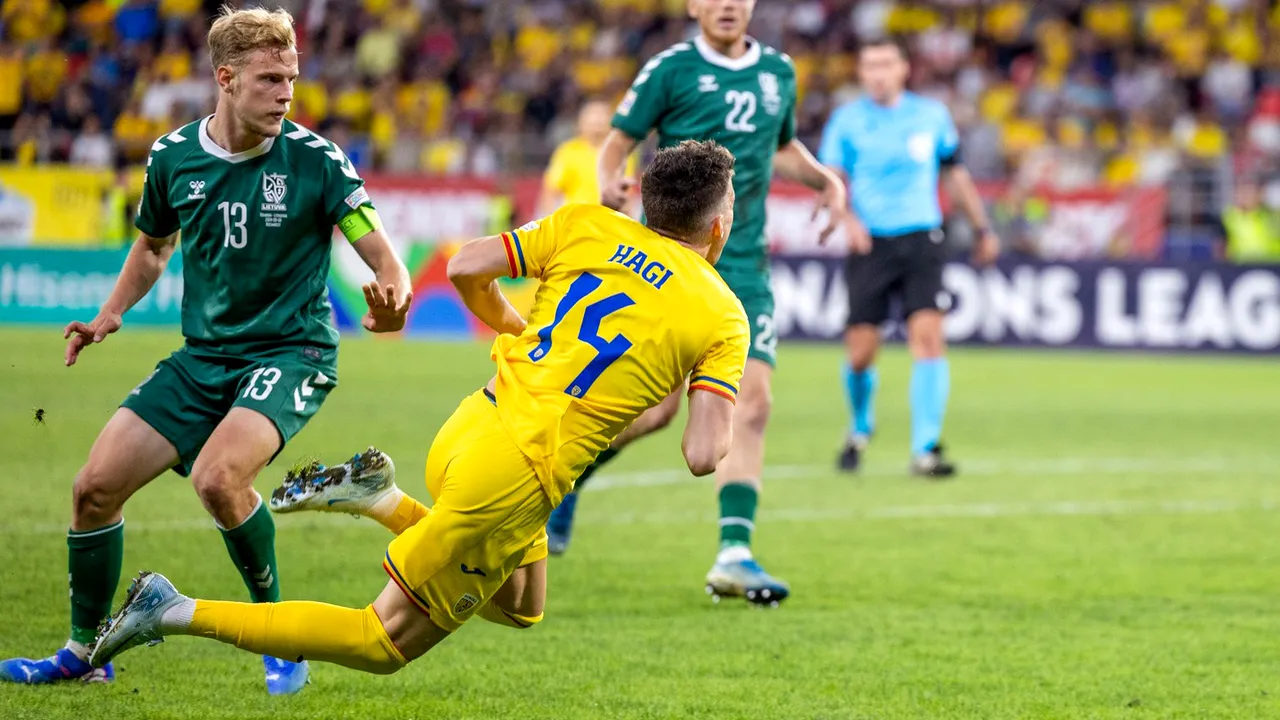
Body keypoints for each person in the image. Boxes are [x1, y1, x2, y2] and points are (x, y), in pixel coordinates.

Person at [89, 140, 752, 675]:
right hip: (514, 475)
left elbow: (467, 265)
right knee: (380, 642)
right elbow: (703, 456)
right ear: (717, 228)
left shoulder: (588, 223)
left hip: (473, 427)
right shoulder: (722, 313)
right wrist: (690, 380)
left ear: (647, 204)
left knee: (523, 606)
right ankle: (171, 610)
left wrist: (517, 328)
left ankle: (382, 498)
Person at [0, 7, 412, 693]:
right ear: (226, 77)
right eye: (270, 78)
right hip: (204, 359)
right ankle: (84, 654)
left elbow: (382, 255)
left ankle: (280, 636)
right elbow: (153, 248)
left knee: (219, 479)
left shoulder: (316, 160)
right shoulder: (173, 158)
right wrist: (109, 314)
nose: (287, 93)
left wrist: (394, 295)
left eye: (292, 78)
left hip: (292, 352)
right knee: (93, 489)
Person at [548, 0, 850, 607]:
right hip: (671, 261)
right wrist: (609, 178)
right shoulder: (670, 69)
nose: (728, 5)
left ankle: (734, 553)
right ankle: (562, 479)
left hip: (743, 263)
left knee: (754, 400)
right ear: (694, 6)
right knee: (656, 411)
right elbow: (619, 141)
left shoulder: (779, 73)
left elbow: (779, 146)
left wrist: (826, 180)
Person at [818, 38, 998, 478]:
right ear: (860, 74)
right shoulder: (847, 121)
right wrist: (850, 222)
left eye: (886, 64)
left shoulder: (931, 116)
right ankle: (860, 426)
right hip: (870, 243)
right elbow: (831, 182)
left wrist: (981, 227)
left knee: (929, 339)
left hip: (922, 238)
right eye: (869, 66)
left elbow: (955, 174)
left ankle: (926, 449)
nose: (878, 73)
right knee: (861, 353)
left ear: (903, 69)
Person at [536, 99, 636, 216]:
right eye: (593, 116)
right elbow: (550, 192)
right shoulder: (568, 152)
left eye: (602, 115)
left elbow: (627, 196)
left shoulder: (621, 153)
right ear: (580, 123)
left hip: (610, 223)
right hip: (577, 223)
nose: (597, 120)